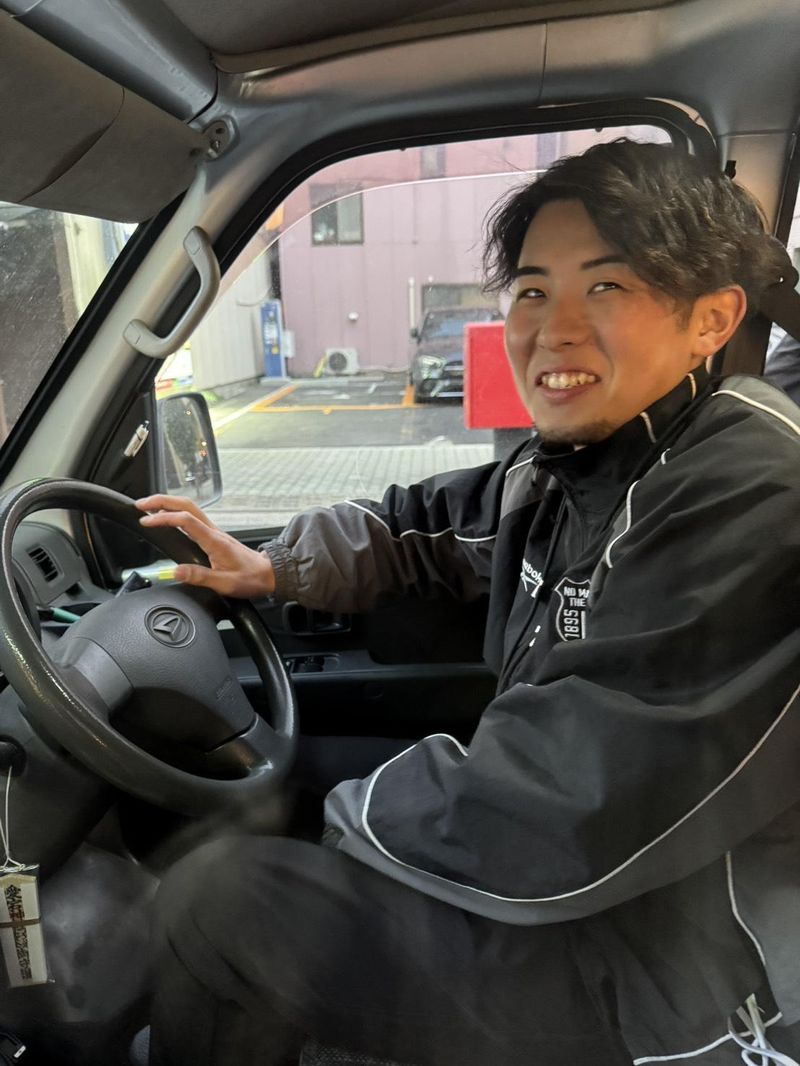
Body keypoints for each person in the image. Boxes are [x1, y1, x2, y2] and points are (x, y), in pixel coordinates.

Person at [137, 140, 800, 1066]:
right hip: (592, 901)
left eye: (606, 287)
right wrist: (274, 567)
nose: (555, 329)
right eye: (532, 291)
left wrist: (332, 823)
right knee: (272, 829)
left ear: (711, 319)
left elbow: (566, 798)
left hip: (677, 985)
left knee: (220, 902)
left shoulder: (751, 485)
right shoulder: (576, 464)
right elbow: (430, 526)